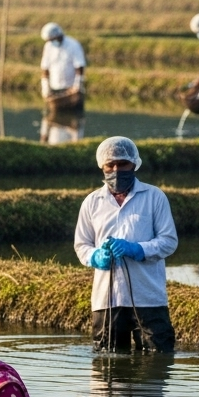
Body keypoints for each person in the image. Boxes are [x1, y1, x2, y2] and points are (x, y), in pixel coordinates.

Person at [74, 137, 178, 353]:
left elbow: (169, 241)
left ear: (134, 164)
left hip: (148, 296)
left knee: (157, 357)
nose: (116, 170)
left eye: (122, 164)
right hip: (107, 298)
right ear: (102, 166)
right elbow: (82, 244)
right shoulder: (92, 202)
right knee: (107, 361)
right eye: (110, 165)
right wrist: (95, 256)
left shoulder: (154, 197)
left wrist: (138, 249)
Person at [39, 22, 86, 104]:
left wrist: (77, 85)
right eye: (50, 40)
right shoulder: (48, 46)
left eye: (53, 39)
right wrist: (45, 87)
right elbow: (45, 67)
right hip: (55, 87)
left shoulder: (73, 45)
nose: (52, 41)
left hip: (71, 88)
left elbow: (79, 66)